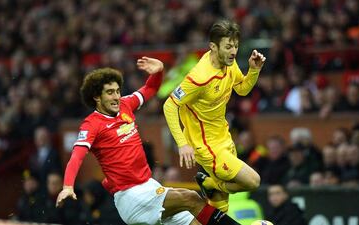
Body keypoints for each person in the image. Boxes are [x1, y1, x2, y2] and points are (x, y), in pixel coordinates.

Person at [55, 57, 241, 225]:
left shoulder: (126, 105)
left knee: (194, 221)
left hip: (149, 186)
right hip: (131, 196)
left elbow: (150, 88)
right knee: (191, 198)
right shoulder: (91, 124)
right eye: (110, 92)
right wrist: (68, 186)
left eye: (118, 91)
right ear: (97, 97)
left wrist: (158, 72)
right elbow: (77, 156)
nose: (116, 97)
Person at [163, 19, 265, 212]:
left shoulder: (230, 63)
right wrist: (182, 144)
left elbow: (242, 90)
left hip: (224, 138)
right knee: (253, 181)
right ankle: (211, 185)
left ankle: (212, 191)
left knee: (219, 209)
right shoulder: (199, 78)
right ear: (213, 47)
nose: (233, 51)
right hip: (208, 147)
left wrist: (253, 70)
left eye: (235, 45)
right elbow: (169, 105)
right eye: (228, 46)